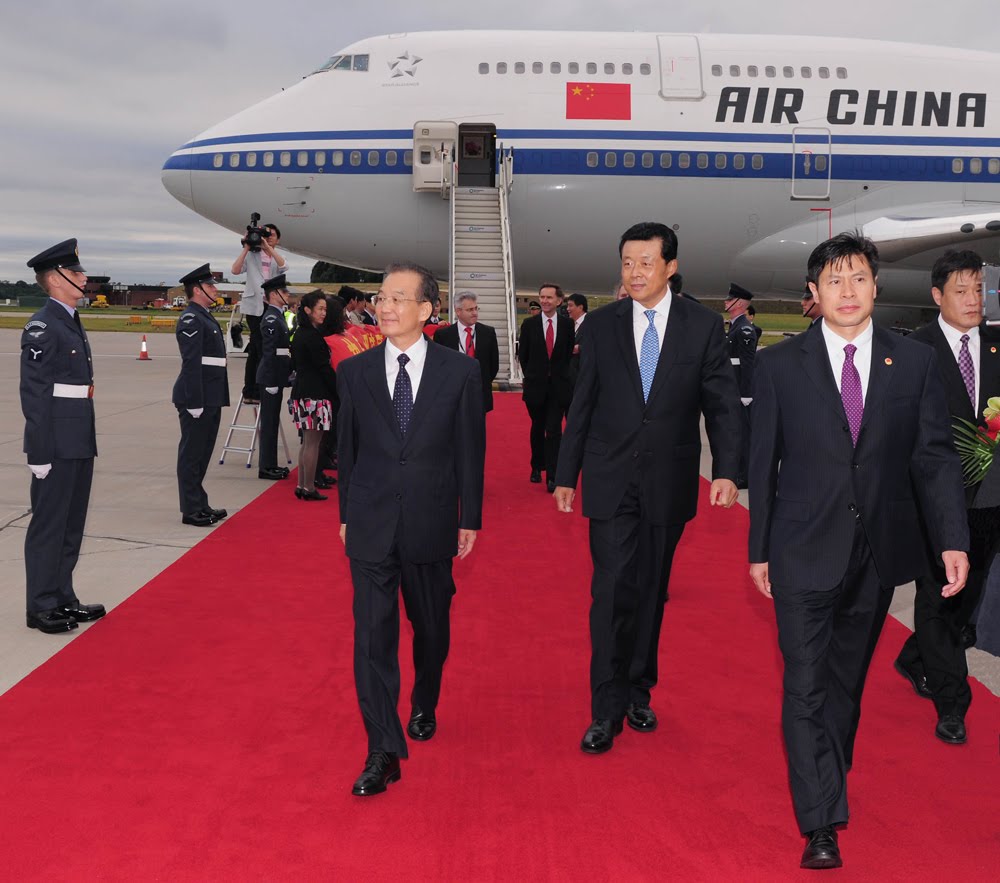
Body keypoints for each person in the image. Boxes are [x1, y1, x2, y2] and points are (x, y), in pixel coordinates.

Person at [748, 232, 969, 870]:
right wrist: (759, 549)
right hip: (800, 548)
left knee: (845, 682)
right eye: (834, 281)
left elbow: (934, 458)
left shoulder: (914, 363)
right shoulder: (779, 365)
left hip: (876, 555)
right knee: (805, 683)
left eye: (859, 279)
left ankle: (828, 770)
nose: (848, 292)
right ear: (813, 293)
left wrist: (952, 538)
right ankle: (820, 821)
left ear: (876, 286)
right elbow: (763, 464)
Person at [554, 222, 744, 755]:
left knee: (651, 590)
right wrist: (566, 473)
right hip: (610, 478)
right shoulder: (600, 326)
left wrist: (727, 469)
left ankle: (639, 689)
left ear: (670, 267)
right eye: (626, 263)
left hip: (669, 480)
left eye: (645, 262)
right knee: (611, 590)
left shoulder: (701, 326)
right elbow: (582, 403)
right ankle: (605, 708)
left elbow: (722, 404)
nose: (634, 272)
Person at [337, 262, 485, 797]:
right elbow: (348, 450)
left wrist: (470, 518)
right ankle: (382, 749)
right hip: (371, 522)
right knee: (372, 638)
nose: (386, 306)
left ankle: (425, 700)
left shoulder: (460, 372)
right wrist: (346, 516)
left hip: (431, 520)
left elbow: (470, 451)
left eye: (399, 298)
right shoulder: (354, 372)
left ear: (426, 309)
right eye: (382, 297)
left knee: (431, 628)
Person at [893, 250, 998, 745]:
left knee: (968, 596)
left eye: (979, 289)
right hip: (934, 499)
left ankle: (915, 656)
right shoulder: (914, 350)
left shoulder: (997, 345)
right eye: (961, 290)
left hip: (990, 500)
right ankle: (952, 702)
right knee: (938, 596)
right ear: (937, 295)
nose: (973, 299)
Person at [20, 239, 106, 633]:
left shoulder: (70, 319)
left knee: (71, 524)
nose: (83, 278)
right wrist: (38, 452)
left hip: (78, 437)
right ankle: (40, 606)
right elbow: (35, 394)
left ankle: (63, 598)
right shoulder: (42, 325)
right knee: (49, 525)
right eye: (76, 272)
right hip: (55, 442)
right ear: (55, 279)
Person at [173, 264, 230, 527]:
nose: (215, 290)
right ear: (197, 290)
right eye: (210, 286)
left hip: (211, 394)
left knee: (203, 453)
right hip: (198, 396)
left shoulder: (203, 315)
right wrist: (195, 401)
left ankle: (199, 502)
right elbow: (192, 362)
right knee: (192, 454)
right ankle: (190, 509)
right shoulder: (191, 319)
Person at [518, 283, 574, 492]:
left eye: (549, 297)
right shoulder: (529, 325)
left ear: (559, 301)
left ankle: (553, 474)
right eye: (542, 297)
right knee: (538, 427)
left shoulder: (567, 325)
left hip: (558, 387)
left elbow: (567, 354)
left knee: (554, 430)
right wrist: (533, 376)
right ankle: (536, 466)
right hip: (536, 386)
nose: (544, 301)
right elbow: (523, 356)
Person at [289, 291, 337, 500]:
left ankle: (302, 484)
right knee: (312, 443)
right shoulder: (312, 336)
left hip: (302, 392)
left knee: (307, 442)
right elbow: (323, 367)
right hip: (314, 394)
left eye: (325, 309)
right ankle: (308, 487)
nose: (324, 313)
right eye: (320, 309)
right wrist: (339, 387)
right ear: (308, 310)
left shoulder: (301, 332)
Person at [232, 222, 286, 402]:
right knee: (259, 346)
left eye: (271, 235)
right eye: (265, 234)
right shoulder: (252, 255)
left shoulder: (277, 257)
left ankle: (253, 390)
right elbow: (235, 270)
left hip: (271, 305)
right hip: (254, 306)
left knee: (259, 349)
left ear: (278, 240)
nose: (267, 238)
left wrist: (268, 248)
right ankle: (254, 390)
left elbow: (284, 266)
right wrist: (247, 247)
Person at [434, 291, 500, 413]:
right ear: (458, 311)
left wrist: (479, 382)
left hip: (480, 394)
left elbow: (493, 366)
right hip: (451, 397)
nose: (475, 313)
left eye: (476, 308)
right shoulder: (443, 335)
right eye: (470, 310)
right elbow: (438, 366)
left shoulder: (488, 333)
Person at [256, 274, 293, 481]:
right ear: (273, 295)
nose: (287, 294)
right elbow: (269, 352)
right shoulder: (271, 318)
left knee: (272, 423)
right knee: (269, 425)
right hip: (270, 377)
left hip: (277, 375)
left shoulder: (278, 315)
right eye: (284, 291)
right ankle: (266, 467)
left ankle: (271, 464)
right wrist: (271, 381)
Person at [725, 282, 758, 489]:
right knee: (735, 431)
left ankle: (744, 475)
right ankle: (738, 471)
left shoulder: (744, 328)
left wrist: (746, 392)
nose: (725, 302)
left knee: (743, 433)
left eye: (729, 299)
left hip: (740, 389)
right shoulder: (735, 326)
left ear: (739, 303)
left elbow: (747, 363)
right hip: (733, 386)